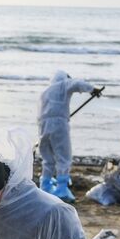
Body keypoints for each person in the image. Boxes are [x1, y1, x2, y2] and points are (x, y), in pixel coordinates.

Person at [37, 70, 99, 201]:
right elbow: (76, 83)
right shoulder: (62, 84)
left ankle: (45, 187)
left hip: (43, 125)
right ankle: (61, 190)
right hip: (58, 123)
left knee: (47, 159)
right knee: (63, 157)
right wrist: (92, 89)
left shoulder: (45, 92)